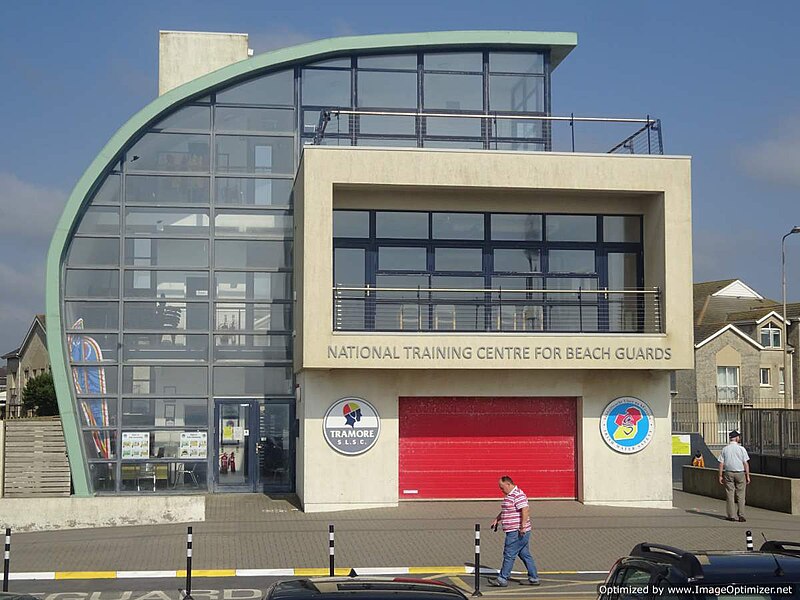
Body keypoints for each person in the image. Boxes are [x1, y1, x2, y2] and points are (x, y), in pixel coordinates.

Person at [488, 476, 540, 587]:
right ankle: (534, 578)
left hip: (516, 531)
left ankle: (502, 579)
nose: (501, 490)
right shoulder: (509, 496)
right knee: (524, 554)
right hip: (515, 531)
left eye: (502, 487)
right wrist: (497, 519)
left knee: (509, 554)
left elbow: (525, 510)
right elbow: (506, 510)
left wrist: (522, 527)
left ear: (508, 484)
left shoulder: (518, 494)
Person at [718, 430, 750, 522]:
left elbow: (721, 463)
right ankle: (741, 515)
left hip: (728, 472)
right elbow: (745, 463)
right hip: (740, 472)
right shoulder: (741, 449)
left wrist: (720, 475)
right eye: (738, 437)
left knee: (730, 494)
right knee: (741, 495)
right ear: (736, 438)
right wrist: (747, 475)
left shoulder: (725, 449)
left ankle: (731, 515)